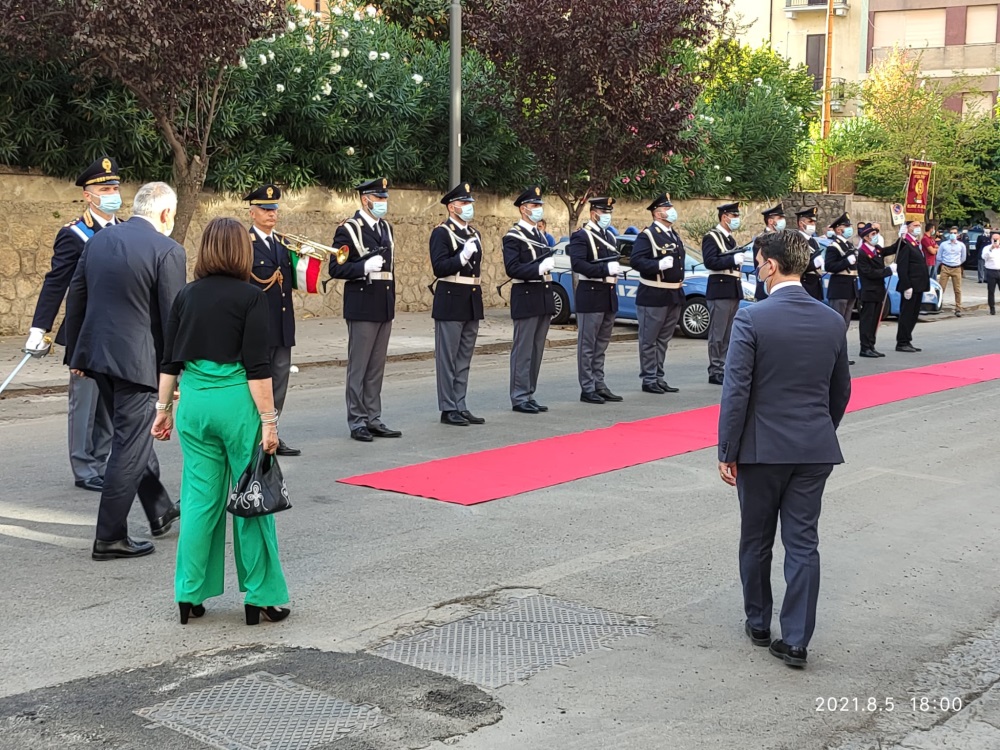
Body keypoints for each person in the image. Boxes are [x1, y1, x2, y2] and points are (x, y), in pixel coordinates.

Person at [718, 229, 851, 670]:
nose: (758, 270)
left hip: (762, 448)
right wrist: (819, 430)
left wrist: (727, 449)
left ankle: (758, 623)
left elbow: (736, 391)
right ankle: (796, 640)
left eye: (758, 263)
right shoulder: (832, 319)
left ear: (770, 265)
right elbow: (841, 391)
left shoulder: (752, 318)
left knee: (756, 539)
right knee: (803, 544)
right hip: (814, 448)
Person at [152, 217, 290, 627]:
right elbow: (258, 367)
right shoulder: (251, 298)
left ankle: (189, 593)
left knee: (198, 501)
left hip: (194, 404)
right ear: (242, 252)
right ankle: (261, 597)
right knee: (251, 499)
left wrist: (163, 410)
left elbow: (169, 360)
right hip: (237, 405)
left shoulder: (185, 296)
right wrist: (269, 421)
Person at [64, 182, 184, 561]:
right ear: (165, 214)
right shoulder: (168, 250)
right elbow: (171, 320)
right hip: (137, 364)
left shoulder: (99, 240)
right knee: (130, 445)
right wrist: (174, 376)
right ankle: (109, 536)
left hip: (97, 356)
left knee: (132, 435)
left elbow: (78, 295)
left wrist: (76, 356)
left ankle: (159, 508)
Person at [26, 157, 120, 492]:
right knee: (85, 403)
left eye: (115, 187)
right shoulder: (75, 234)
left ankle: (104, 460)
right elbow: (56, 283)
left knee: (109, 404)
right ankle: (84, 467)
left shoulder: (123, 230)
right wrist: (40, 329)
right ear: (87, 195)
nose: (112, 194)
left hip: (116, 334)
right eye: (104, 188)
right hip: (84, 332)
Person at [330, 178, 402, 443]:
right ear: (365, 199)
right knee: (359, 367)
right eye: (379, 198)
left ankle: (373, 417)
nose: (383, 203)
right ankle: (357, 420)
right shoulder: (348, 230)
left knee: (376, 367)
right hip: (362, 304)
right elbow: (335, 268)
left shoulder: (386, 228)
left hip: (383, 303)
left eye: (385, 198)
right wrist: (361, 267)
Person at [246, 184, 300, 457]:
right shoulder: (245, 244)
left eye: (274, 209)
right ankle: (254, 435)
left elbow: (293, 283)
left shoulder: (282, 242)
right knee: (257, 382)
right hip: (257, 327)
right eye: (265, 210)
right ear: (252, 212)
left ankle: (273, 433)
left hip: (281, 325)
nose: (271, 214)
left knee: (279, 382)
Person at [430, 182, 486, 426]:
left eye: (470, 203)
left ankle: (460, 404)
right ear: (452, 207)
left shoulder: (474, 233)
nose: (468, 207)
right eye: (464, 203)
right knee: (448, 358)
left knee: (464, 357)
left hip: (471, 298)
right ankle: (447, 407)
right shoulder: (441, 233)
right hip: (451, 297)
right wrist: (461, 256)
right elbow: (439, 267)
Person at [502, 186, 556, 414]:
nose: (538, 209)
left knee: (536, 350)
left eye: (540, 206)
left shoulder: (540, 235)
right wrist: (538, 268)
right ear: (523, 209)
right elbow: (512, 268)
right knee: (523, 349)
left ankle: (529, 392)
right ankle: (519, 395)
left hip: (542, 296)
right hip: (526, 295)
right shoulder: (514, 236)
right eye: (534, 206)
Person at [568, 196, 624, 403]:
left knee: (601, 344)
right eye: (604, 212)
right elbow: (578, 265)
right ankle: (587, 387)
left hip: (607, 294)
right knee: (588, 344)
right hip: (590, 294)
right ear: (594, 214)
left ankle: (599, 383)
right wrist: (604, 269)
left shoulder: (609, 237)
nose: (608, 216)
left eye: (609, 212)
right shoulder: (581, 236)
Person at [629, 193, 685, 394]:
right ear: (657, 213)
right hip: (654, 294)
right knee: (649, 339)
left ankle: (658, 376)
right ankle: (649, 378)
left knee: (663, 340)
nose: (671, 212)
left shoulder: (672, 234)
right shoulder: (648, 235)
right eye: (667, 209)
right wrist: (657, 265)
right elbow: (636, 261)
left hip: (673, 294)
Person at [702, 202, 745, 385]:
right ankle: (715, 369)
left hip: (732, 289)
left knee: (728, 333)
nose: (736, 220)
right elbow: (710, 261)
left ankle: (725, 366)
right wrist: (732, 259)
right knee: (717, 333)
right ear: (724, 217)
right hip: (719, 290)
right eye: (733, 216)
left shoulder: (730, 239)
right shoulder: (712, 237)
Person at [856, 223, 892, 358]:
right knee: (867, 321)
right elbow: (868, 273)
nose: (875, 236)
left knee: (875, 321)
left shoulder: (876, 249)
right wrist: (887, 271)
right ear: (865, 237)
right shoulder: (862, 253)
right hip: (869, 291)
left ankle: (871, 345)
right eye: (872, 234)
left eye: (876, 234)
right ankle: (864, 347)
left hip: (878, 291)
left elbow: (889, 250)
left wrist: (902, 237)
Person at [894, 220, 930, 353]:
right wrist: (906, 285)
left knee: (914, 314)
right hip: (910, 285)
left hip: (918, 285)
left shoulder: (915, 243)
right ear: (907, 228)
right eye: (915, 226)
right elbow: (902, 267)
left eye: (919, 225)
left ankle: (907, 339)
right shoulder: (905, 244)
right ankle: (902, 342)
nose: (918, 228)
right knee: (907, 314)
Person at [823, 213, 858, 336]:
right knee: (837, 322)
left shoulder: (849, 245)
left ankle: (841, 345)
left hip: (850, 287)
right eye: (846, 226)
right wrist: (846, 261)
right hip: (840, 287)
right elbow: (829, 266)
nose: (849, 228)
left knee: (846, 322)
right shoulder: (834, 246)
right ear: (838, 229)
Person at [752, 203, 786, 301]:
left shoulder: (781, 237)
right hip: (766, 289)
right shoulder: (762, 239)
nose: (783, 221)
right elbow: (761, 265)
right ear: (770, 221)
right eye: (779, 218)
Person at [936, 226, 967, 317]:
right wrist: (944, 263)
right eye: (951, 233)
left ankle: (958, 308)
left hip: (956, 268)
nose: (953, 235)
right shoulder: (944, 244)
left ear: (957, 234)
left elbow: (963, 258)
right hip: (945, 267)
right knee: (941, 288)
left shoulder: (961, 245)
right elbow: (939, 256)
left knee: (957, 289)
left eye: (954, 233)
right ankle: (938, 305)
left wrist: (957, 263)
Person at [796, 206, 825, 301]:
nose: (813, 224)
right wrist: (814, 264)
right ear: (801, 223)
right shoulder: (796, 240)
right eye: (810, 222)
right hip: (804, 284)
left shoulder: (814, 241)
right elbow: (796, 265)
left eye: (814, 222)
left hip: (815, 284)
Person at [982, 232, 1000, 315]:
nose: (995, 241)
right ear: (991, 239)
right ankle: (992, 308)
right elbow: (984, 257)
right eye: (994, 239)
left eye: (997, 239)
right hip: (991, 271)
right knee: (991, 291)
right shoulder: (987, 248)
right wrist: (991, 249)